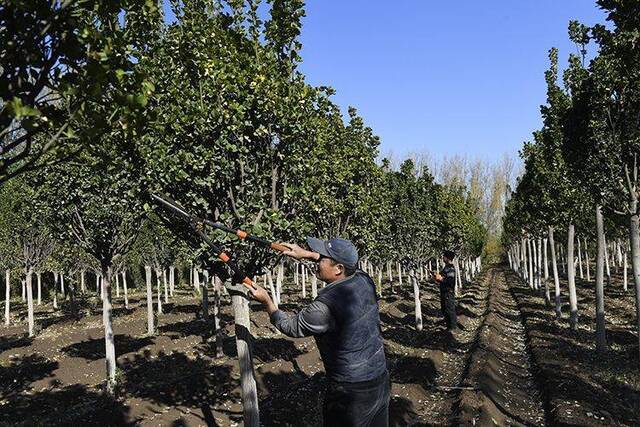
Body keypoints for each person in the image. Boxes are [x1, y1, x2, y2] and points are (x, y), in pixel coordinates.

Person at [250, 237, 390, 427]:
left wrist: (268, 303)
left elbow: (290, 327)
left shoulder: (323, 308)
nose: (317, 263)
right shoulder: (363, 279)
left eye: (322, 258)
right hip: (379, 378)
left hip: (350, 391)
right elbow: (346, 265)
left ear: (338, 268)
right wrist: (306, 254)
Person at [434, 250, 458, 331]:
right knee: (444, 309)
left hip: (448, 292)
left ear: (447, 258)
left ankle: (453, 328)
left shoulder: (450, 268)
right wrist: (437, 276)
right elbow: (443, 277)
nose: (442, 258)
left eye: (444, 256)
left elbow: (450, 281)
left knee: (449, 309)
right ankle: (449, 326)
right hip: (444, 292)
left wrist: (441, 279)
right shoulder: (446, 267)